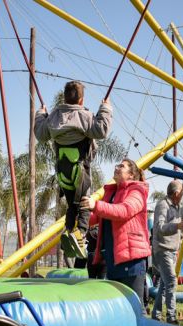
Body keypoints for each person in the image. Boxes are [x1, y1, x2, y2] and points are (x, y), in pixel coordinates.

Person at [35, 80, 113, 259]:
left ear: (64, 97)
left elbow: (40, 134)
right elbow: (101, 131)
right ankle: (82, 234)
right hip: (81, 169)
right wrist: (105, 109)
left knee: (72, 205)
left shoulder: (53, 116)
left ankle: (68, 229)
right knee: (85, 201)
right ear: (81, 101)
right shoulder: (84, 117)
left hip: (62, 170)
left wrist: (41, 114)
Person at [80, 159, 150, 310]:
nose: (117, 167)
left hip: (132, 260)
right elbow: (98, 217)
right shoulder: (111, 194)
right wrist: (81, 214)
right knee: (119, 309)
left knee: (136, 308)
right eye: (117, 165)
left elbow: (124, 211)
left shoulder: (137, 191)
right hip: (114, 259)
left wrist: (95, 205)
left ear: (131, 175)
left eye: (122, 166)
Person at [151, 180, 183, 324]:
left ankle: (156, 315)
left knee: (164, 285)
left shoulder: (178, 206)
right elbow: (160, 227)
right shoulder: (163, 205)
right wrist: (178, 226)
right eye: (182, 192)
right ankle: (171, 316)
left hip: (171, 250)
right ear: (176, 193)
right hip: (163, 249)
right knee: (171, 282)